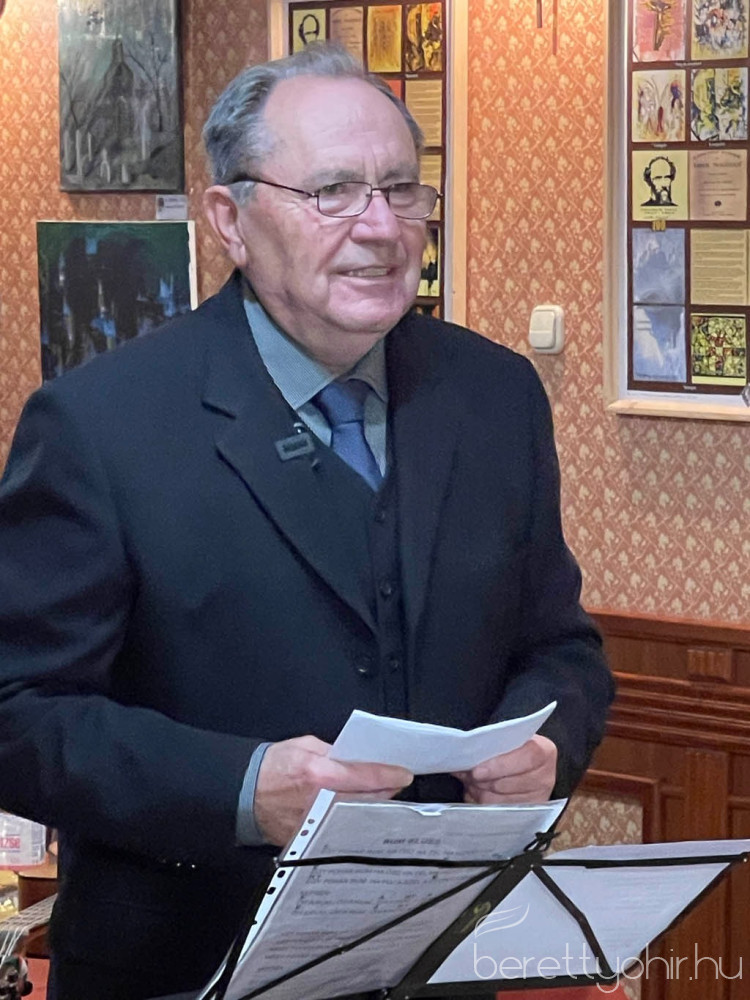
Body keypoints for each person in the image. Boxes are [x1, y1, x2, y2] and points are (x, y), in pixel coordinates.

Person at [0, 44, 614, 1000]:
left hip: (437, 969)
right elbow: (18, 717)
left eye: (401, 190)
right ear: (230, 220)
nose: (381, 227)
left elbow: (561, 649)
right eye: (332, 192)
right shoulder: (101, 425)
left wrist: (545, 749)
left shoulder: (495, 397)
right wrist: (245, 789)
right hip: (182, 968)